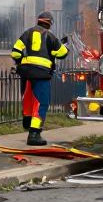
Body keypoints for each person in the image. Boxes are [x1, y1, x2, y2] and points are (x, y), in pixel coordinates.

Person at [11, 11, 69, 146]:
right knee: (41, 102)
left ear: (38, 21)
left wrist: (21, 62)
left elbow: (15, 52)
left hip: (26, 73)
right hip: (41, 74)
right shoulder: (51, 36)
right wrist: (59, 47)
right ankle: (34, 134)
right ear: (50, 23)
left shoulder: (27, 33)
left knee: (28, 98)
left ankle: (27, 120)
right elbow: (63, 53)